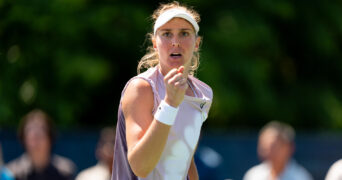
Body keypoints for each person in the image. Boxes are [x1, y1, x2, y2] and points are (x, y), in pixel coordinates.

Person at [111, 1, 213, 180]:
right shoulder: (140, 88)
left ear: (197, 43)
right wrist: (170, 104)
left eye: (184, 33)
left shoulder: (202, 94)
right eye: (167, 34)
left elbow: (185, 160)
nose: (175, 42)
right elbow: (141, 167)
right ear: (155, 43)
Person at [6, 109, 76, 180]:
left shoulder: (65, 171)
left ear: (50, 138)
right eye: (32, 138)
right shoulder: (12, 173)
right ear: (23, 140)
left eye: (40, 137)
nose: (36, 143)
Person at [243, 121, 313, 180]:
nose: (267, 151)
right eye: (264, 146)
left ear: (289, 147)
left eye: (273, 146)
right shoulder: (253, 175)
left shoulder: (301, 177)